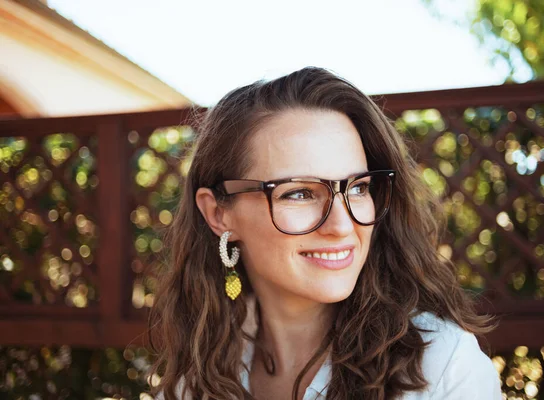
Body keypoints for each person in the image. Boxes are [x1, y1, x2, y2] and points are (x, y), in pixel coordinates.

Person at [149, 67, 502, 400]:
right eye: (299, 193)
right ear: (218, 213)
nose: (342, 226)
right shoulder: (196, 377)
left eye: (358, 188)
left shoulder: (442, 367)